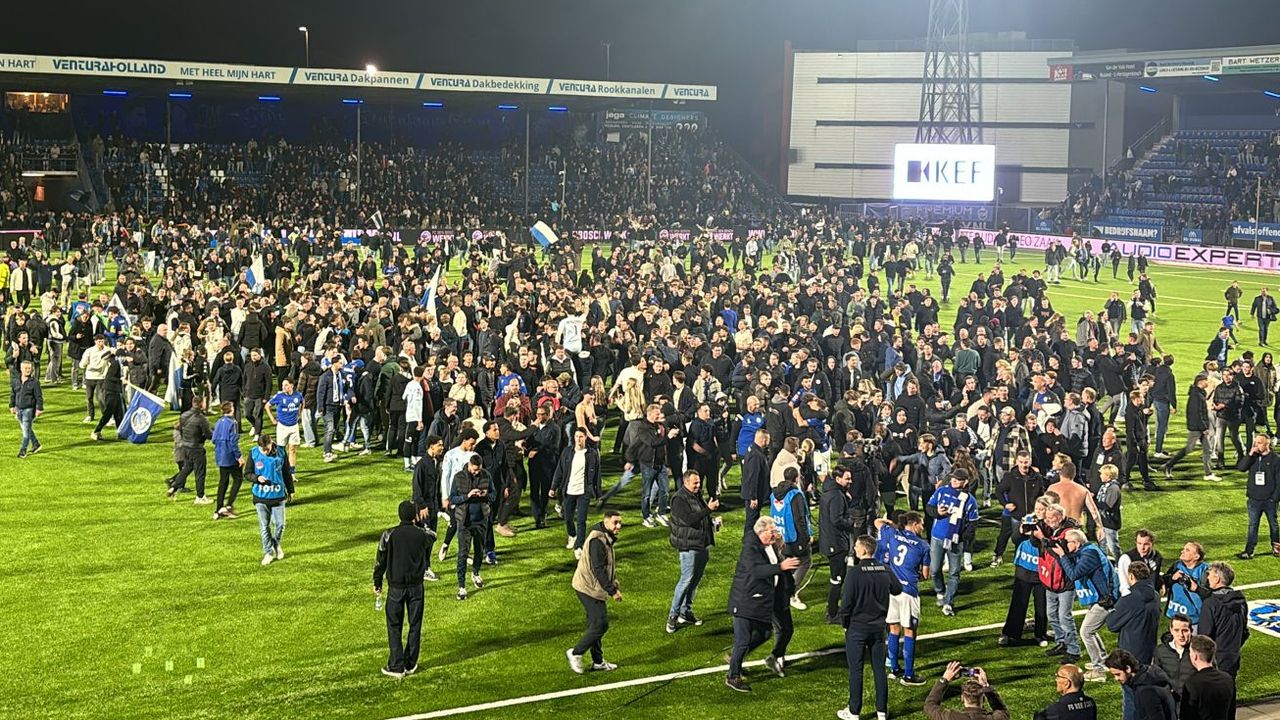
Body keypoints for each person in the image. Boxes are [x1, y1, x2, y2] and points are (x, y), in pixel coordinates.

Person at [726, 515, 799, 693]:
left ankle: (735, 657)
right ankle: (733, 676)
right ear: (761, 532)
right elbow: (757, 571)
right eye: (772, 531)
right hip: (744, 600)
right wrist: (781, 567)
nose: (775, 534)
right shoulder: (750, 548)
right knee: (743, 641)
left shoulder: (770, 546)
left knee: (765, 633)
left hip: (759, 600)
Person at [836, 534, 902, 720]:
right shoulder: (884, 569)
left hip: (857, 628)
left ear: (864, 549)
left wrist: (844, 623)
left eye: (857, 546)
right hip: (878, 628)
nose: (855, 549)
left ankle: (854, 711)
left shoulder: (855, 573)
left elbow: (846, 603)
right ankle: (882, 711)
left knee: (856, 670)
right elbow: (897, 589)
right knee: (879, 669)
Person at [372, 500, 429, 679]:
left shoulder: (389, 535)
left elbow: (380, 561)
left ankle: (396, 665)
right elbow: (432, 535)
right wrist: (418, 523)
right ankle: (410, 662)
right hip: (416, 587)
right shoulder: (422, 534)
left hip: (396, 588)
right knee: (415, 625)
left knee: (394, 625)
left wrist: (377, 581)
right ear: (414, 516)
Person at [1055, 529, 1118, 683]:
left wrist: (1063, 555)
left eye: (1067, 542)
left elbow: (1074, 573)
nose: (1064, 544)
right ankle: (1102, 661)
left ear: (1076, 543)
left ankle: (1099, 670)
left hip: (1104, 599)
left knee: (1086, 631)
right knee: (1091, 630)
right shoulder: (1084, 551)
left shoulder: (1090, 554)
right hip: (1099, 597)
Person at [875, 512, 930, 686]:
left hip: (891, 589)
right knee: (909, 631)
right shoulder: (923, 546)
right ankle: (908, 675)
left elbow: (877, 521)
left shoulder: (892, 533)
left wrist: (893, 524)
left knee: (893, 628)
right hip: (909, 591)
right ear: (913, 524)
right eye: (920, 524)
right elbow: (926, 575)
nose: (922, 527)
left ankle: (894, 669)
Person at [567, 510, 622, 675]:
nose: (618, 526)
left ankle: (598, 662)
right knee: (601, 624)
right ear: (606, 522)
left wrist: (614, 581)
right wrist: (612, 591)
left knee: (594, 624)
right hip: (588, 588)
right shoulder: (598, 541)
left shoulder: (605, 537)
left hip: (591, 586)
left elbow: (607, 565)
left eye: (620, 523)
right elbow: (598, 569)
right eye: (615, 522)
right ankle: (576, 653)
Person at [666, 469, 718, 633]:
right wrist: (708, 510)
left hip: (701, 543)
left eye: (698, 482)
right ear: (685, 482)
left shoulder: (695, 495)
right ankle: (672, 617)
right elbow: (688, 519)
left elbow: (701, 518)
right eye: (695, 483)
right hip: (688, 546)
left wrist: (713, 523)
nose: (698, 485)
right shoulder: (678, 499)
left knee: (695, 580)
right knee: (686, 580)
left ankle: (685, 611)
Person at [927, 468, 978, 616]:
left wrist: (961, 537)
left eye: (957, 479)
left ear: (965, 482)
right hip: (937, 536)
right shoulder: (942, 491)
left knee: (954, 572)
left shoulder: (970, 500)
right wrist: (938, 513)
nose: (953, 481)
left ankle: (948, 601)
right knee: (935, 569)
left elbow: (973, 523)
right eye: (953, 478)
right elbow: (929, 507)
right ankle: (940, 591)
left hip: (956, 540)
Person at [448, 454, 492, 600]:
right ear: (469, 465)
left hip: (481, 520)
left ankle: (476, 573)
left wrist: (485, 495)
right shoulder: (459, 477)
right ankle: (461, 587)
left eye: (478, 470)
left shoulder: (486, 475)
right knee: (462, 553)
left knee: (479, 550)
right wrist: (467, 496)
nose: (476, 473)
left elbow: (494, 495)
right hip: (465, 521)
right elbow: (452, 498)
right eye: (474, 470)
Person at [1198, 562, 1249, 680]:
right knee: (1229, 690)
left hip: (1215, 660)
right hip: (1233, 657)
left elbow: (1204, 636)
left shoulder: (1211, 603)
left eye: (1209, 574)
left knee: (1213, 694)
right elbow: (1244, 632)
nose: (1208, 577)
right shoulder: (1241, 601)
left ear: (1217, 579)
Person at [1162, 373, 1217, 482]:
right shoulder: (1196, 395)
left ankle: (1208, 473)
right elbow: (1197, 413)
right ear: (1200, 382)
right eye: (1206, 380)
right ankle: (1168, 465)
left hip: (1199, 426)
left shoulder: (1198, 393)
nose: (1208, 382)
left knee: (1207, 449)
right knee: (1189, 449)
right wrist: (1204, 428)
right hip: (1197, 428)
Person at [250, 435, 293, 566]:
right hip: (261, 497)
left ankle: (276, 543)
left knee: (280, 525)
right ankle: (268, 552)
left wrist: (291, 490)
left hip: (278, 495)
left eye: (267, 449)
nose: (265, 452)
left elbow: (286, 472)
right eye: (263, 450)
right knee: (264, 527)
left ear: (271, 444)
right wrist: (256, 478)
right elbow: (247, 473)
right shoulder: (253, 453)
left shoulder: (281, 451)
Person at [1235, 433, 1280, 559]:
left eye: (1259, 443)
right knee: (1252, 525)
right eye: (1256, 442)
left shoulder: (1276, 459)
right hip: (1254, 499)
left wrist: (1274, 499)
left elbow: (1279, 481)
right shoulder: (1253, 457)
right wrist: (1250, 454)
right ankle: (1249, 551)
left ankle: (1276, 547)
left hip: (1269, 500)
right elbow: (1241, 468)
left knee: (1273, 524)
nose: (1257, 445)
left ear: (1267, 444)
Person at [1106, 561, 1160, 664]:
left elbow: (1111, 624)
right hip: (1150, 649)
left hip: (1130, 651)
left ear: (1131, 576)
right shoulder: (1156, 596)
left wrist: (1111, 609)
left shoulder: (1130, 598)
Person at [1105, 649, 1177, 720]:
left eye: (1118, 674)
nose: (1116, 678)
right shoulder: (1153, 673)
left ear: (1128, 669)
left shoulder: (1145, 690)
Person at [410, 435, 444, 582]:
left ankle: (425, 566)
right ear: (431, 446)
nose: (442, 447)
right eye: (439, 445)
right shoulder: (421, 465)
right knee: (423, 539)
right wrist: (422, 506)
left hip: (433, 506)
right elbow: (416, 488)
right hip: (424, 508)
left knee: (431, 537)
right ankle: (423, 569)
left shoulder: (436, 462)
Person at [923, 662, 1009, 720]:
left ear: (962, 698)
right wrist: (986, 686)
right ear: (983, 699)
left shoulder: (951, 717)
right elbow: (1002, 711)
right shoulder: (995, 718)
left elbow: (929, 705)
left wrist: (944, 680)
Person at [1179, 636, 1236, 720]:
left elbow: (1186, 716)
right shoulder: (1228, 679)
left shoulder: (1192, 683)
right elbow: (1231, 713)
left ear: (1195, 656)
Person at [167, 395, 212, 501]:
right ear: (201, 404)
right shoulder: (202, 419)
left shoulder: (184, 415)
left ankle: (174, 487)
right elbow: (209, 435)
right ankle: (200, 497)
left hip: (186, 447)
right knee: (200, 472)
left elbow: (181, 430)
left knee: (186, 469)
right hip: (196, 448)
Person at [211, 401, 245, 519]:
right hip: (229, 456)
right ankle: (229, 506)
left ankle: (218, 509)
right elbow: (233, 441)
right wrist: (239, 456)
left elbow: (213, 439)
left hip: (220, 455)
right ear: (231, 410)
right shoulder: (233, 423)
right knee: (238, 479)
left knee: (223, 482)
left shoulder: (218, 422)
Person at [1153, 614, 1197, 703]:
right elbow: (1156, 676)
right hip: (1169, 702)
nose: (1181, 635)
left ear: (1191, 631)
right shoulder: (1160, 651)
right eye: (1177, 630)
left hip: (1192, 703)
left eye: (1185, 631)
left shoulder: (1199, 651)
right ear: (1171, 630)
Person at [265, 378, 304, 471]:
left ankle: (292, 473)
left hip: (294, 426)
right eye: (283, 385)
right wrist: (272, 419)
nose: (284, 387)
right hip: (282, 427)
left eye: (286, 385)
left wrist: (300, 414)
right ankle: (281, 469)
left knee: (292, 449)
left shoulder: (298, 395)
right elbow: (267, 406)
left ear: (291, 386)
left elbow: (303, 402)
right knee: (281, 450)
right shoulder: (279, 396)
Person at [740, 428, 772, 535]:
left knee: (753, 520)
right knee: (751, 521)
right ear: (763, 440)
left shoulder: (752, 449)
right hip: (753, 495)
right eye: (768, 440)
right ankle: (748, 543)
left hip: (752, 493)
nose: (769, 442)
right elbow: (753, 477)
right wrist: (753, 497)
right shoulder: (756, 455)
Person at [9, 360, 43, 458]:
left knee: (25, 431)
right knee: (26, 429)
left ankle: (23, 450)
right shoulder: (16, 381)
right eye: (26, 368)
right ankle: (36, 444)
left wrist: (39, 408)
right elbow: (13, 394)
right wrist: (12, 406)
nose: (28, 370)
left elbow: (39, 397)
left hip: (29, 409)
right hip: (18, 409)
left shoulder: (35, 382)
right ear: (21, 369)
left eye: (29, 368)